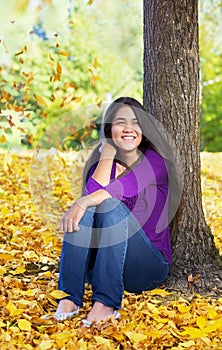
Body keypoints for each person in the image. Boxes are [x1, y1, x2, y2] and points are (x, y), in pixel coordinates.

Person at [53, 97, 180, 325]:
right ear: (110, 128)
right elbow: (91, 197)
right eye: (121, 122)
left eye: (136, 122)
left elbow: (118, 190)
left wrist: (81, 203)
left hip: (147, 266)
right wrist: (107, 155)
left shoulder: (155, 161)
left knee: (106, 203)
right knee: (91, 206)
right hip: (102, 269)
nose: (129, 128)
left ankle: (106, 304)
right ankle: (69, 298)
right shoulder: (105, 161)